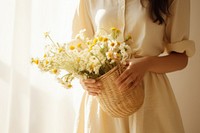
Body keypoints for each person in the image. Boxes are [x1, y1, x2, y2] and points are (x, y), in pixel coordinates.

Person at [71, 0, 195, 132]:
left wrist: (147, 63)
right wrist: (83, 79)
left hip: (149, 97)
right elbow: (78, 50)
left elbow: (181, 58)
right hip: (104, 97)